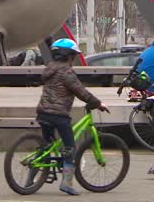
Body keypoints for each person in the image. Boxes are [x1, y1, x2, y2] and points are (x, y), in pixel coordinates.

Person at [35, 38, 109, 196]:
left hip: (42, 112)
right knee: (70, 148)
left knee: (46, 147)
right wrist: (98, 103)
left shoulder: (50, 68)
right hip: (59, 115)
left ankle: (29, 181)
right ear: (67, 56)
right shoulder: (66, 72)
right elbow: (81, 91)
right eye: (73, 56)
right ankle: (67, 184)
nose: (73, 60)